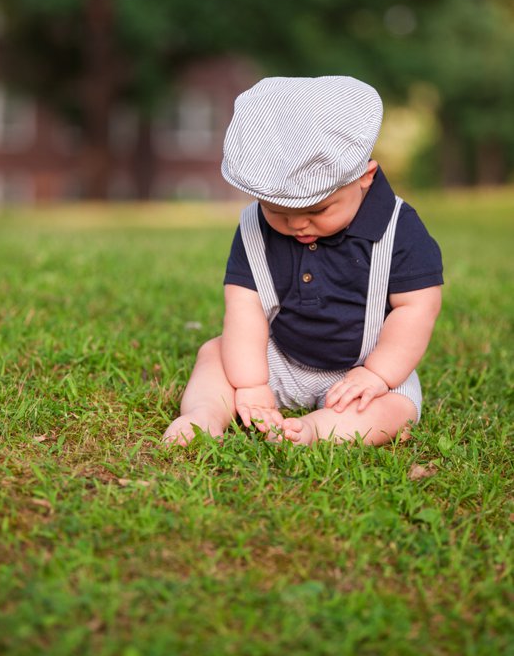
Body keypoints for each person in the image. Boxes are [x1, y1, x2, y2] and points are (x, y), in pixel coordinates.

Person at [162, 76, 443, 446]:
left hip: (363, 365)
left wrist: (377, 375)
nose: (296, 224)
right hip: (280, 356)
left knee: (395, 409)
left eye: (317, 209)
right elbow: (246, 304)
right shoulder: (255, 226)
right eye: (277, 211)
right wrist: (250, 383)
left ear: (364, 177)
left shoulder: (397, 227)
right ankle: (204, 415)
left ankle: (314, 431)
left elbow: (417, 308)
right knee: (215, 353)